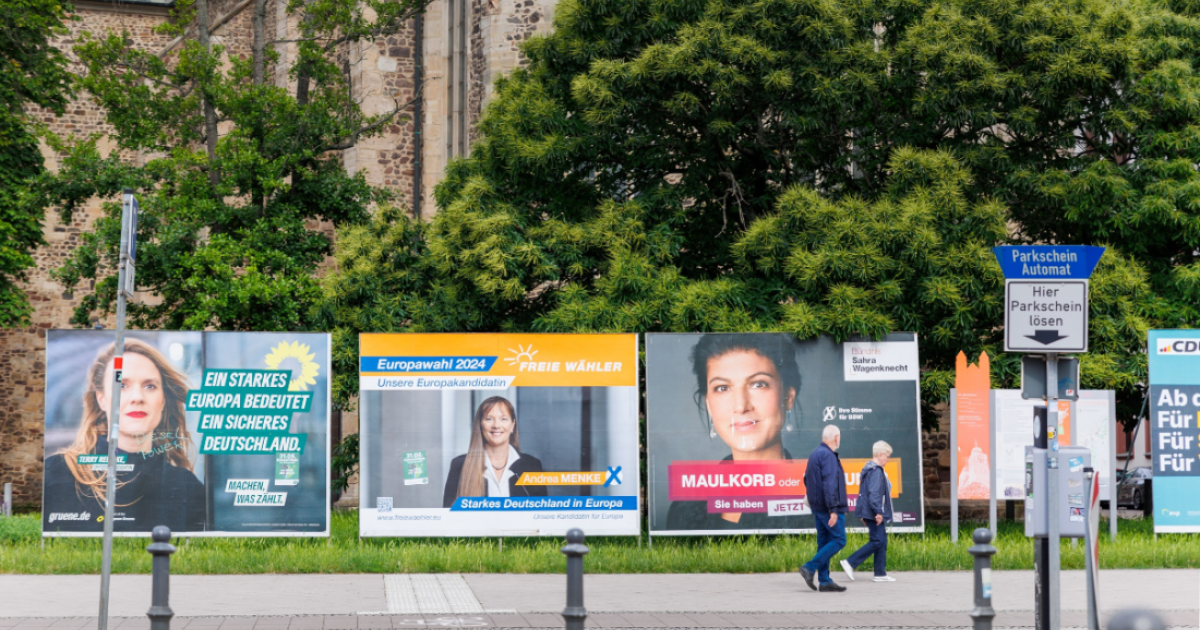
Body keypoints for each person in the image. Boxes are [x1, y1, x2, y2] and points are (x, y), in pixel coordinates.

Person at [43, 339, 206, 532]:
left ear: (163, 401)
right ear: (102, 400)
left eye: (150, 386)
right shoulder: (57, 473)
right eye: (122, 386)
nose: (137, 397)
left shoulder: (186, 487)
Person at [665, 333, 804, 530]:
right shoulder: (686, 508)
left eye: (758, 384)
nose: (740, 406)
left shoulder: (819, 500)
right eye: (722, 388)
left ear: (787, 397)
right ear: (709, 405)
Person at [443, 396, 547, 507]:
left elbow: (541, 517)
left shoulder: (531, 465)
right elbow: (449, 518)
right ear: (480, 425)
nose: (496, 425)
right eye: (489, 419)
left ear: (512, 425)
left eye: (503, 419)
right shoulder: (460, 465)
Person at [799, 424, 848, 592]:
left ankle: (825, 581)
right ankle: (809, 567)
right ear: (836, 437)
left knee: (824, 542)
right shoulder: (828, 456)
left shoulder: (815, 454)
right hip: (828, 508)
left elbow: (806, 480)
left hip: (818, 507)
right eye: (839, 436)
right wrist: (833, 509)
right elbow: (829, 484)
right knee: (839, 539)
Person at [841, 441, 896, 582]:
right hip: (874, 511)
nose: (888, 460)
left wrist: (864, 511)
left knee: (881, 541)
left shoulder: (869, 469)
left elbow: (864, 493)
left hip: (869, 510)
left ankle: (880, 574)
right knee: (877, 541)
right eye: (887, 456)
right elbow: (873, 494)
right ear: (880, 454)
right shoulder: (876, 470)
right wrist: (878, 512)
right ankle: (850, 562)